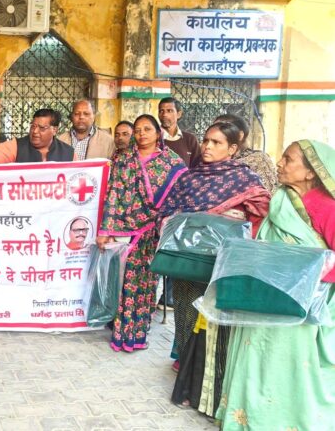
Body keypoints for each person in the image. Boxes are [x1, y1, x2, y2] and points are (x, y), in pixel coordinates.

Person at [216, 140, 335, 430]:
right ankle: (251, 416)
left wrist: (303, 275)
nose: (279, 163)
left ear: (311, 171)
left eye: (288, 159)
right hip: (266, 294)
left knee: (287, 362)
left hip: (300, 304)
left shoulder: (328, 208)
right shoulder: (280, 199)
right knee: (257, 354)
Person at [158, 122, 270, 416]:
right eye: (206, 140)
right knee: (186, 318)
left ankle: (215, 388)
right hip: (189, 262)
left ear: (232, 148)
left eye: (216, 142)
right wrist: (187, 219)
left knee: (218, 325)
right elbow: (166, 213)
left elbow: (261, 214)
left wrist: (236, 217)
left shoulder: (244, 179)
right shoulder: (189, 178)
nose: (207, 146)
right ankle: (187, 383)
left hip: (224, 265)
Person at [96, 114, 187, 352]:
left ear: (158, 133)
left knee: (146, 284)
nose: (141, 134)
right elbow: (113, 194)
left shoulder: (171, 162)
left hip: (153, 232)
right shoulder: (124, 159)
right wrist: (105, 229)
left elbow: (179, 195)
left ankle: (139, 334)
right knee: (125, 283)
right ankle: (121, 335)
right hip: (125, 231)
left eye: (147, 129)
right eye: (137, 130)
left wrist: (167, 222)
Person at [0, 109, 75, 167]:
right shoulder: (17, 146)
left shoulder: (69, 153)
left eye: (41, 128)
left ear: (54, 130)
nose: (35, 131)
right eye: (33, 126)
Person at [213, 114, 278, 193]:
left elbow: (267, 193)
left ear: (240, 135)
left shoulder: (258, 160)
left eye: (222, 132)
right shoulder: (211, 161)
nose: (215, 136)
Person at [158, 97, 201, 167]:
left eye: (169, 111)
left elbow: (197, 167)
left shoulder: (190, 140)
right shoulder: (153, 138)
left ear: (179, 114)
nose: (164, 114)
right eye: (161, 111)